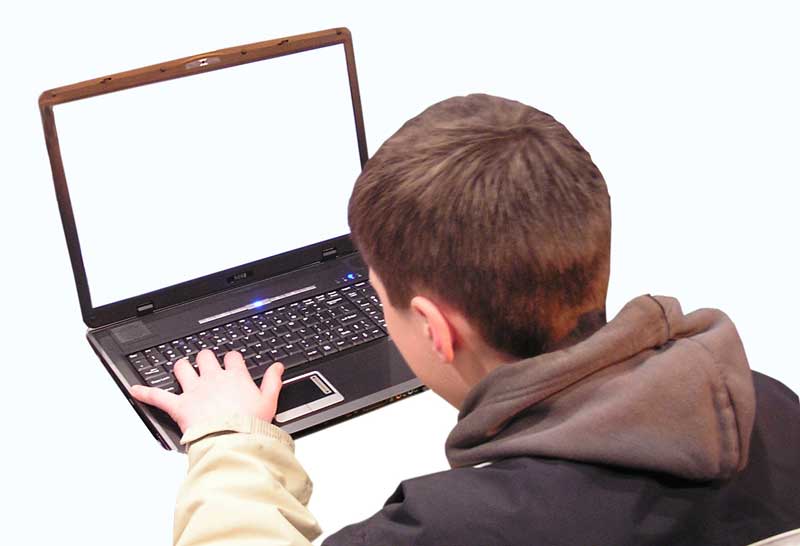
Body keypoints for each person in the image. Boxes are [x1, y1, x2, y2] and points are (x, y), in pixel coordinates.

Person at [130, 93, 800, 545]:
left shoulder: (450, 530)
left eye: (378, 296)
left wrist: (232, 441)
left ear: (435, 330)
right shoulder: (766, 409)